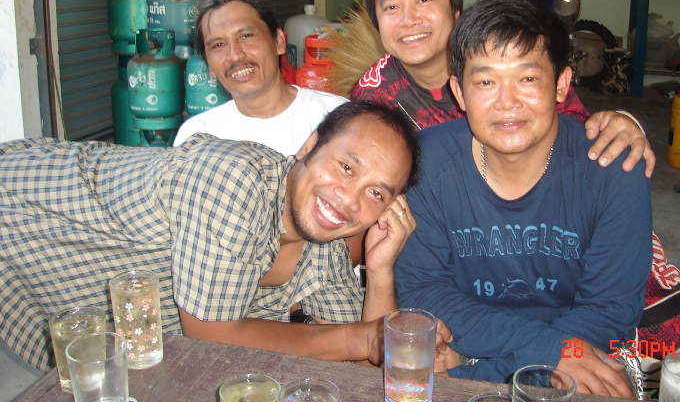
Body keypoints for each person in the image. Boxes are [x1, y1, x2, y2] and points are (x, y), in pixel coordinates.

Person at [0, 101, 446, 372]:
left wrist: (381, 270)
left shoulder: (325, 246)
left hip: (69, 296)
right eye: (346, 166)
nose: (348, 199)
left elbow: (365, 366)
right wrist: (362, 339)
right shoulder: (234, 177)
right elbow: (209, 334)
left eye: (375, 193)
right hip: (18, 212)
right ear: (309, 147)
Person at [394, 0, 652, 397]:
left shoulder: (613, 168)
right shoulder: (427, 161)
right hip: (484, 344)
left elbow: (609, 312)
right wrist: (548, 351)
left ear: (562, 84)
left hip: (578, 351)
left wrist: (480, 375)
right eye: (485, 82)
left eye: (527, 78)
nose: (507, 102)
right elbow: (423, 290)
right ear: (459, 92)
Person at [350, 0, 655, 176]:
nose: (408, 20)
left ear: (456, 11)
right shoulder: (373, 94)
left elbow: (578, 132)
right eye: (391, 7)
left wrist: (621, 123)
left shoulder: (507, 59)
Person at [174, 0, 346, 155]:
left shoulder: (337, 119)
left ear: (279, 42)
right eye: (218, 45)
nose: (235, 55)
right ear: (209, 66)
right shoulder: (196, 139)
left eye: (246, 36)